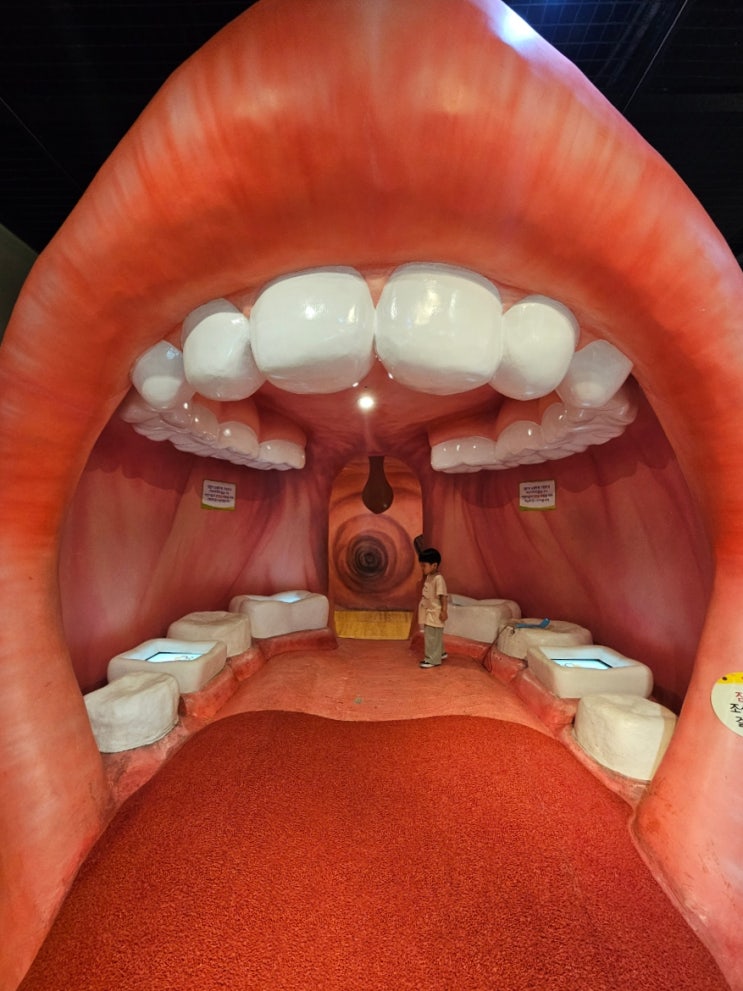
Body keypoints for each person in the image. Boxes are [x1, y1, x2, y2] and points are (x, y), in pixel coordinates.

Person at [417, 547, 448, 668]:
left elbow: (443, 596)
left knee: (431, 636)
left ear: (434, 565)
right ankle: (441, 652)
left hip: (434, 612)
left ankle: (432, 659)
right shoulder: (430, 576)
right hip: (429, 611)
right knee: (435, 635)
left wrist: (444, 611)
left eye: (424, 565)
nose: (422, 568)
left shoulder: (438, 579)